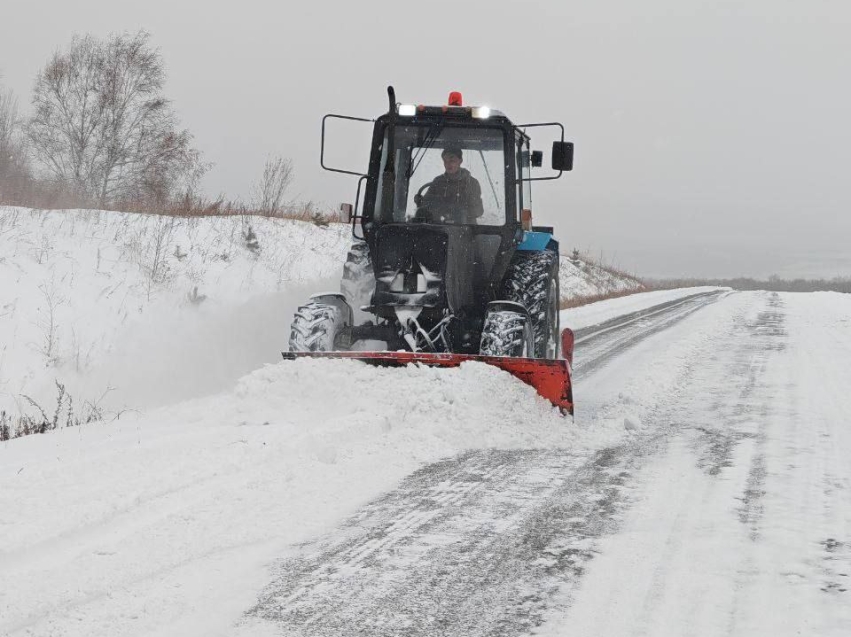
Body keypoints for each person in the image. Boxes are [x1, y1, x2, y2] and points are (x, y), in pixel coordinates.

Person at [417, 147, 484, 224]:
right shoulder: (438, 182)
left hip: (465, 229)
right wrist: (420, 201)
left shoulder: (471, 183)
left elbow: (478, 210)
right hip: (439, 229)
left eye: (452, 161)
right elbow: (426, 204)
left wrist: (459, 211)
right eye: (445, 161)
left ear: (460, 161)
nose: (448, 164)